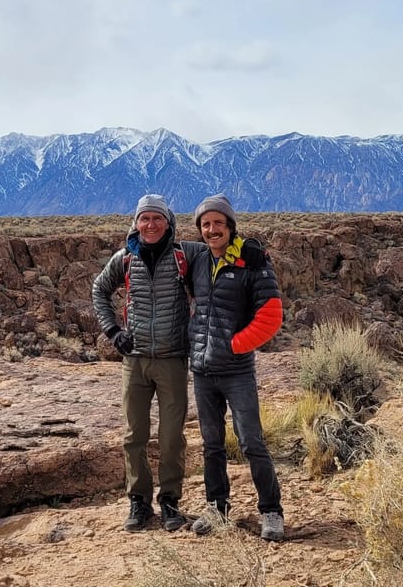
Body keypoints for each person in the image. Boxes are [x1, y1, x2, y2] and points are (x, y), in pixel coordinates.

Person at [92, 194, 201, 532]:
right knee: (133, 435)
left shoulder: (186, 255)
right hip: (135, 361)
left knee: (171, 436)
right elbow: (99, 290)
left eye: (157, 219)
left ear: (168, 222)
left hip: (171, 360)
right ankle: (138, 502)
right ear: (136, 223)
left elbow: (221, 248)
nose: (150, 225)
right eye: (144, 219)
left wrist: (252, 251)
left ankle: (170, 501)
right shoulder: (125, 259)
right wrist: (113, 330)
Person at [187, 193, 285, 541]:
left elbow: (272, 315)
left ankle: (271, 511)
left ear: (230, 226)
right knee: (211, 443)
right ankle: (216, 507)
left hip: (237, 371)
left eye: (218, 223)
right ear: (200, 230)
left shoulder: (251, 260)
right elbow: (161, 242)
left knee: (251, 442)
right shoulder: (198, 260)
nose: (212, 230)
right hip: (201, 370)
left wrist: (234, 345)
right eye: (206, 224)